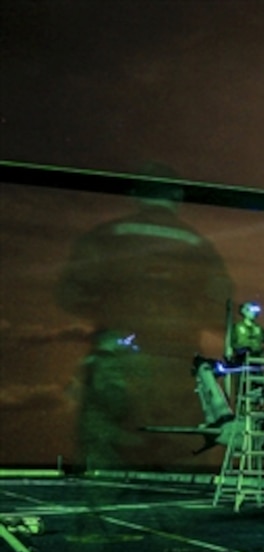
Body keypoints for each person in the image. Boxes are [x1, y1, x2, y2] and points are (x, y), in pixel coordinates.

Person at [58, 162, 234, 469]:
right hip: (178, 369)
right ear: (177, 197)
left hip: (117, 363)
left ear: (136, 194)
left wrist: (114, 312)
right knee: (183, 460)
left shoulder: (108, 236)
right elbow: (222, 311)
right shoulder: (200, 247)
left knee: (105, 468)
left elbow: (69, 295)